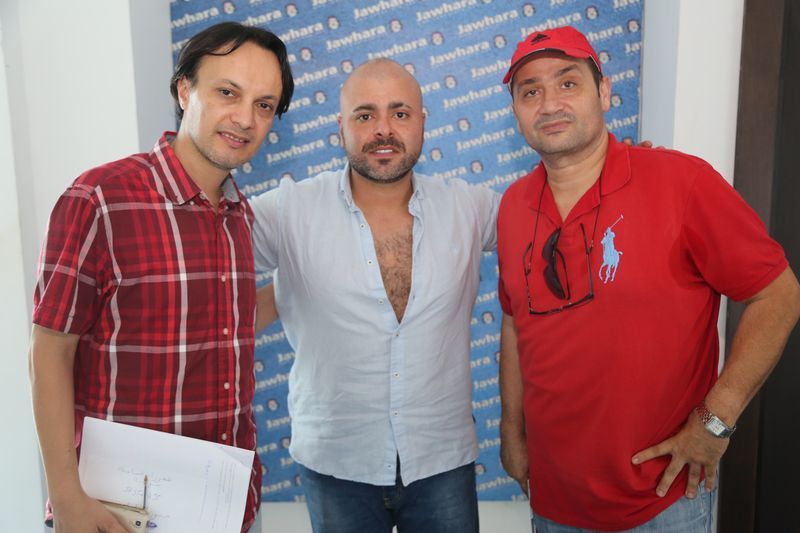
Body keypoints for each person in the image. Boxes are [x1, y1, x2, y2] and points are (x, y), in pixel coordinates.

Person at [496, 25, 800, 532]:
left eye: (568, 83)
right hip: (553, 502)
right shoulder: (512, 207)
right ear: (516, 111)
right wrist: (512, 433)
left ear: (604, 92)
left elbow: (779, 294)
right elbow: (514, 322)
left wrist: (716, 421)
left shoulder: (683, 182)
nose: (549, 104)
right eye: (530, 91)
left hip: (663, 504)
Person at [28, 22, 293, 533]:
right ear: (184, 89)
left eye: (264, 105)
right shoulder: (100, 199)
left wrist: (310, 284)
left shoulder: (239, 214)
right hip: (115, 513)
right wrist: (65, 496)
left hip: (223, 505)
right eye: (227, 92)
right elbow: (49, 352)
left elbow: (220, 325)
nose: (245, 118)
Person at [250, 58, 498, 533]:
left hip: (441, 458)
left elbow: (556, 222)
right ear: (340, 126)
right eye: (365, 115)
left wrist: (615, 174)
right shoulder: (287, 210)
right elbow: (203, 255)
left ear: (423, 121)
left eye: (399, 113)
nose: (383, 129)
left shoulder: (471, 207)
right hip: (336, 461)